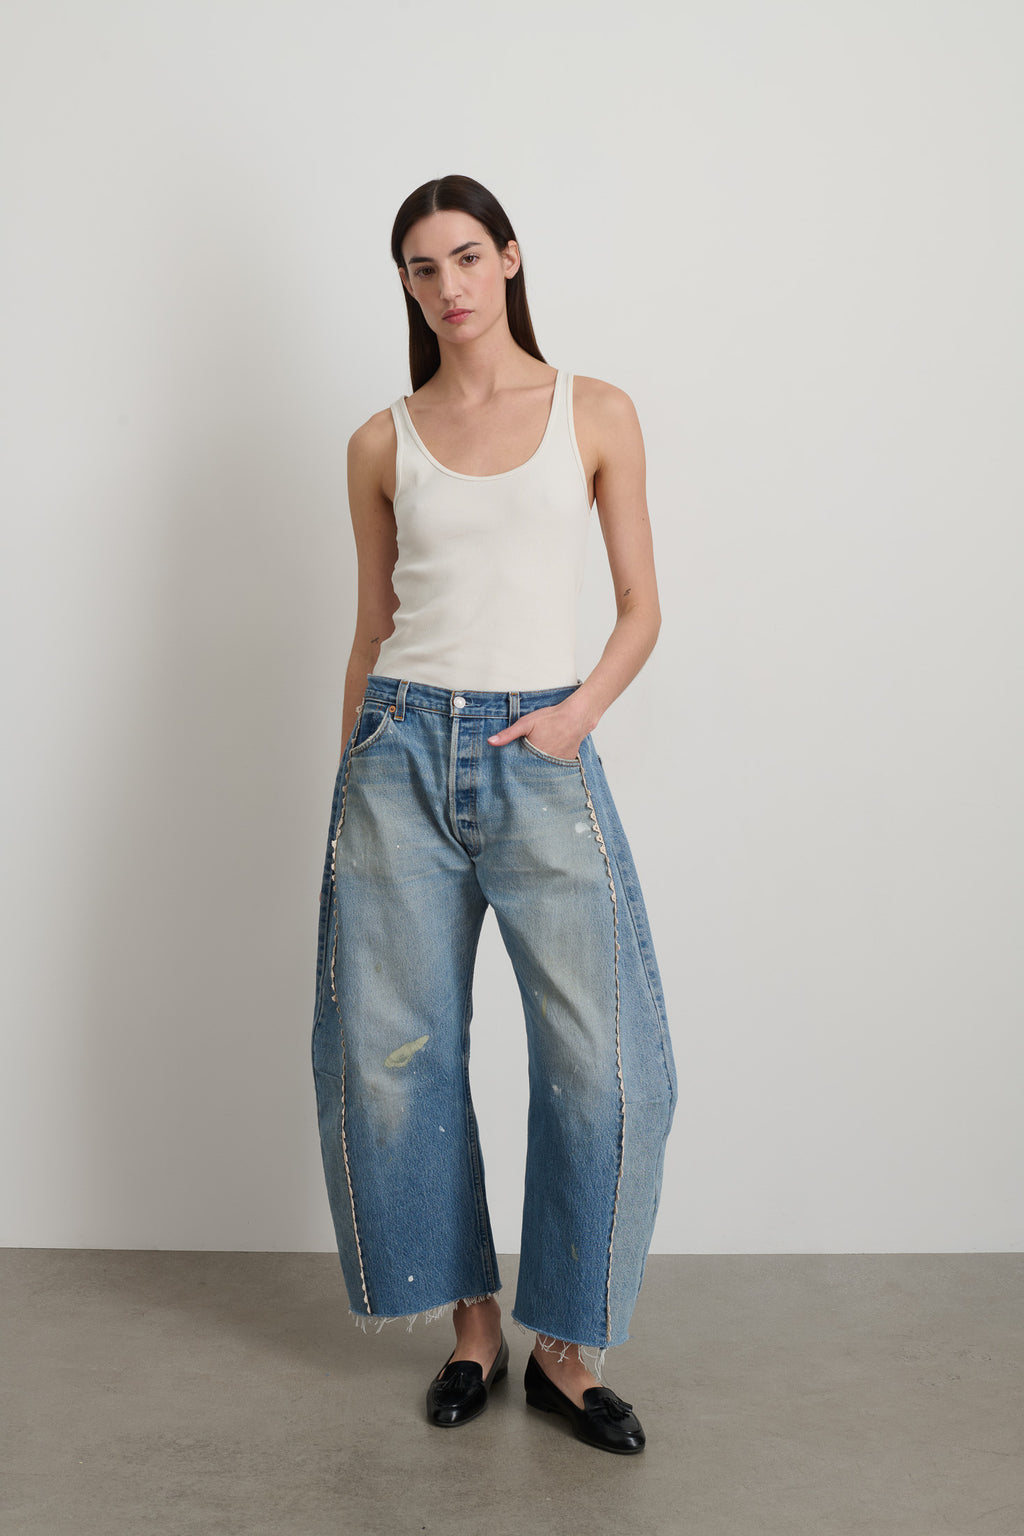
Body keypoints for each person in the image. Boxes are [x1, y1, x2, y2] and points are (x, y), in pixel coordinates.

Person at [311, 174, 677, 1455]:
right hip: (398, 750)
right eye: (422, 269)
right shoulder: (380, 438)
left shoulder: (595, 410)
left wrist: (575, 717)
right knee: (396, 1058)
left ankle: (563, 1349)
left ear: (510, 260)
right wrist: (354, 769)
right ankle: (473, 1327)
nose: (448, 285)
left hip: (539, 750)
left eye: (467, 257)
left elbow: (640, 608)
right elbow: (370, 628)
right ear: (406, 287)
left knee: (604, 1064)